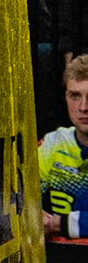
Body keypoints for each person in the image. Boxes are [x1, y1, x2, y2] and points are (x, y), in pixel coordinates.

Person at [42, 56, 88, 239]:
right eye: (75, 96)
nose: (84, 107)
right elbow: (16, 200)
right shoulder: (52, 144)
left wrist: (56, 224)